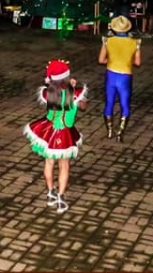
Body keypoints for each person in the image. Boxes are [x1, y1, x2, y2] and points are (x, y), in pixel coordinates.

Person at [23, 60, 87, 213]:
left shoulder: (48, 92)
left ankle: (51, 192)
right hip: (65, 133)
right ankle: (60, 199)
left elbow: (54, 93)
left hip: (49, 131)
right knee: (64, 165)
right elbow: (84, 106)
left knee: (49, 162)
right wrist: (72, 88)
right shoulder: (75, 93)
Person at [98, 15, 141, 142]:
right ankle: (120, 133)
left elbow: (101, 60)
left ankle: (110, 131)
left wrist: (111, 61)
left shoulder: (107, 40)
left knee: (109, 103)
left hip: (111, 74)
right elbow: (138, 63)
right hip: (125, 76)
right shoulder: (135, 42)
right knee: (124, 104)